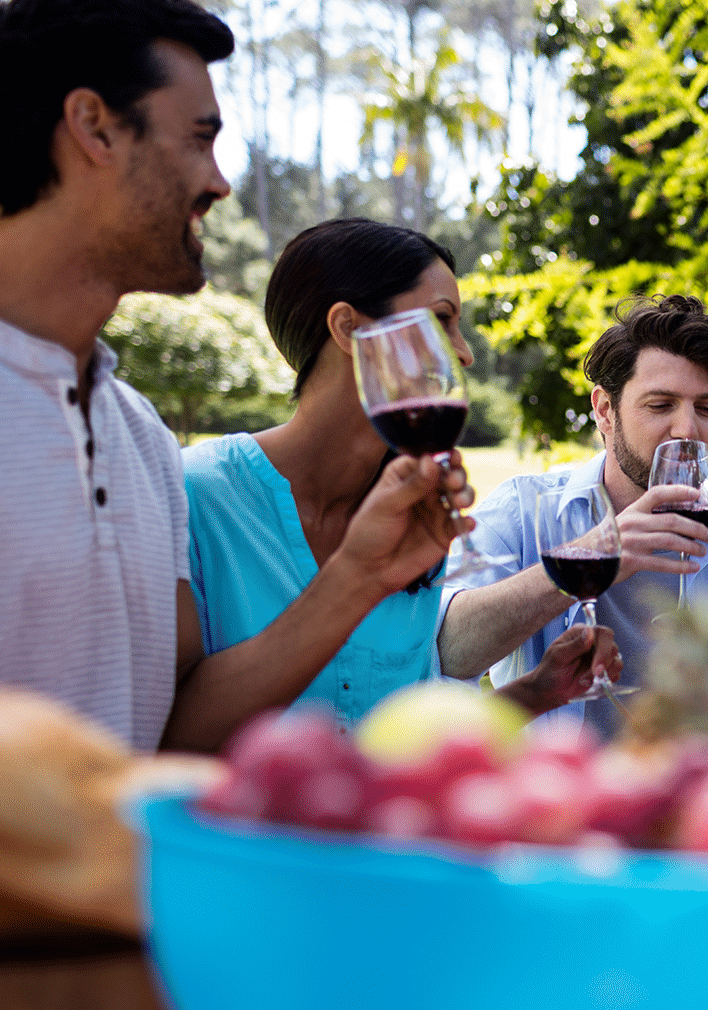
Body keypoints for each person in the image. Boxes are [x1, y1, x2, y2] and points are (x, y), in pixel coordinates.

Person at [0, 0, 465, 755]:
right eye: (201, 138)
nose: (218, 182)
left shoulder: (137, 434)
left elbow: (171, 737)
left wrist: (358, 576)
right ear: (94, 128)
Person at [183, 218, 621, 726]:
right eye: (441, 321)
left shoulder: (414, 515)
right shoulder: (197, 496)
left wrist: (533, 693)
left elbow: (395, 734)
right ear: (349, 329)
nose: (464, 352)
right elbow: (164, 738)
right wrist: (357, 577)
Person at [437, 294, 708, 738]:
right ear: (605, 410)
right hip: (558, 795)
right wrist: (591, 557)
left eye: (707, 408)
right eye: (660, 405)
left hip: (705, 796)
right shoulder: (522, 511)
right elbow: (448, 650)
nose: (687, 430)